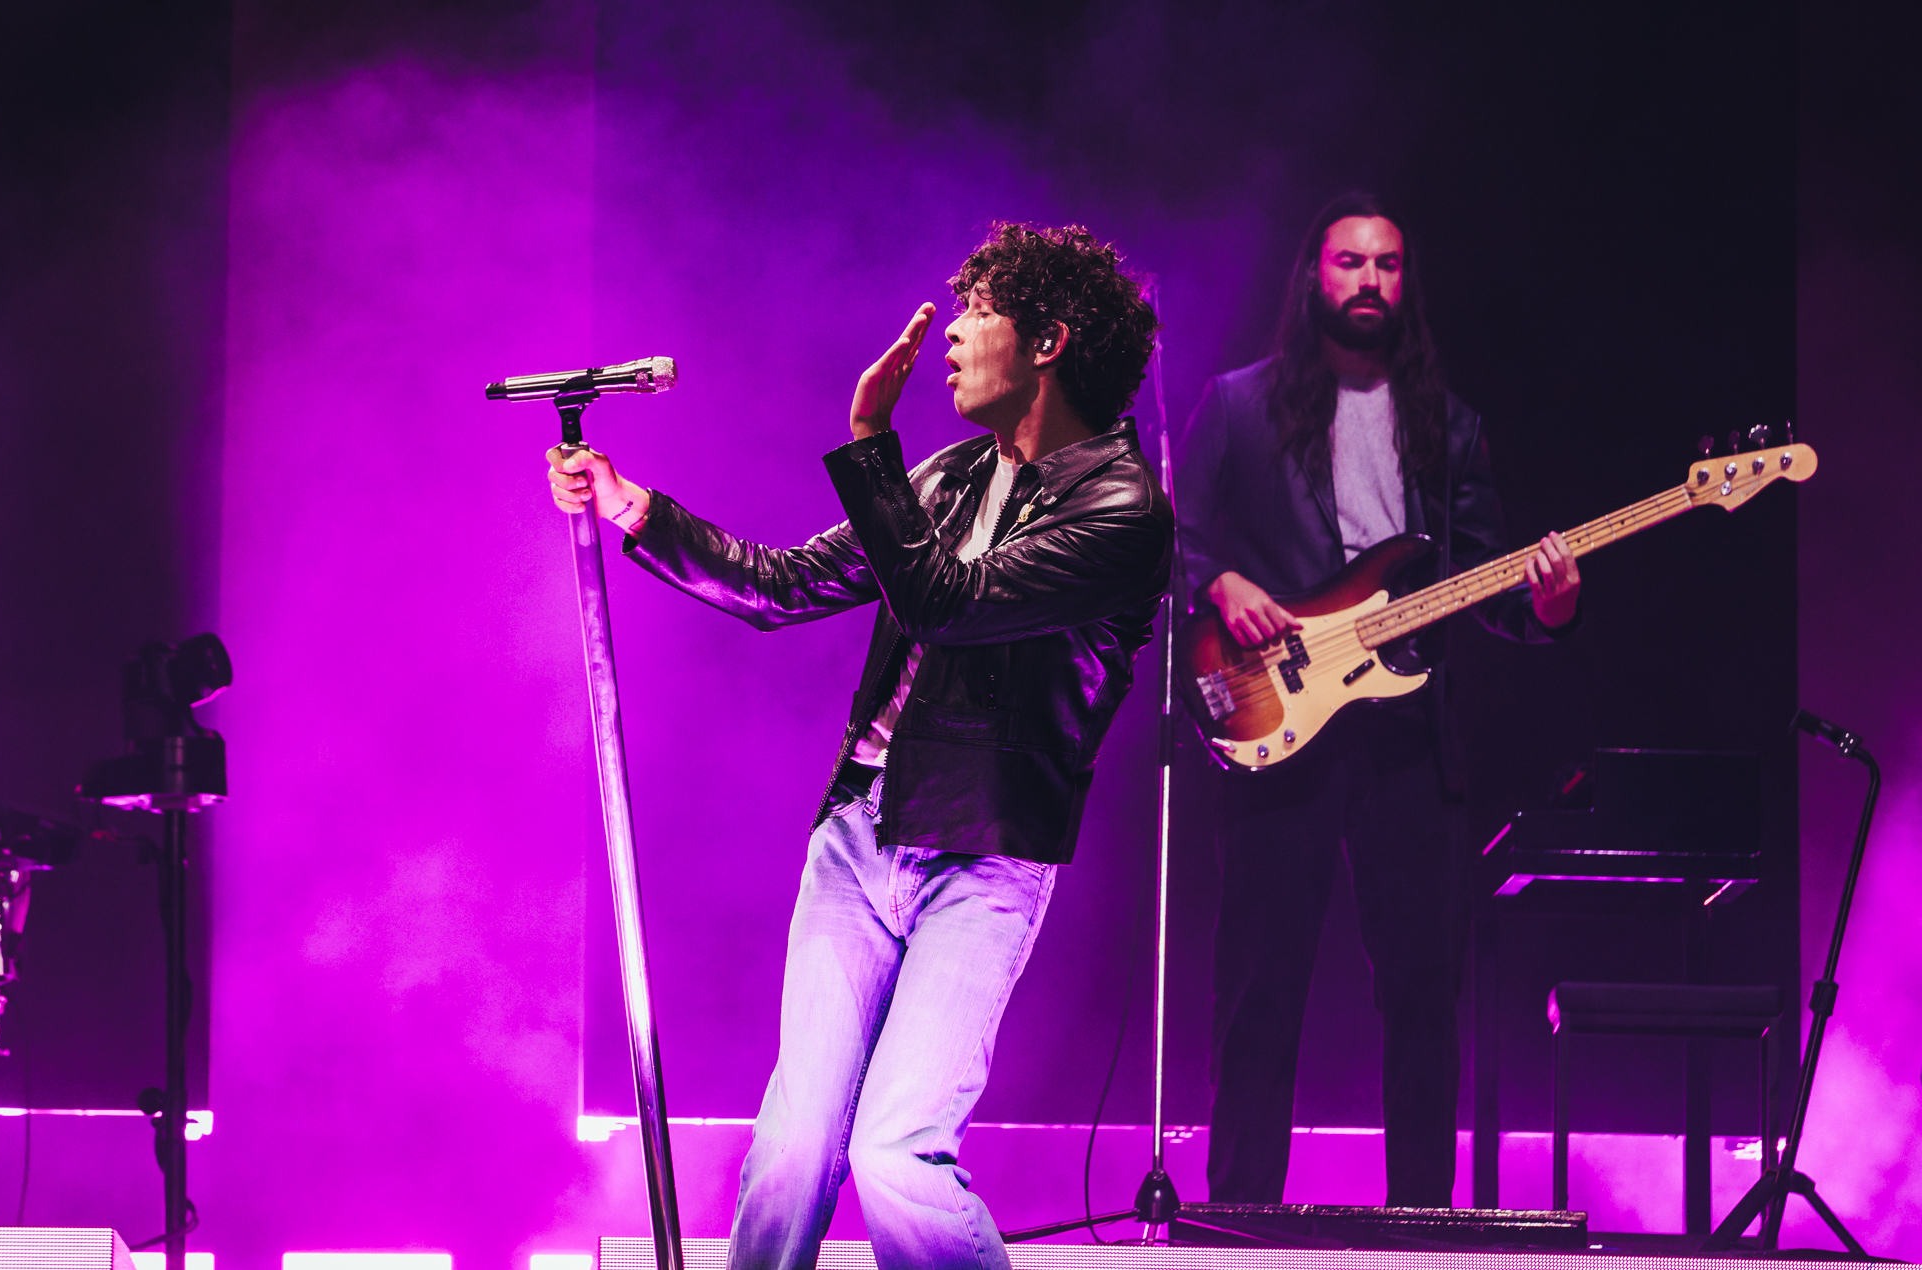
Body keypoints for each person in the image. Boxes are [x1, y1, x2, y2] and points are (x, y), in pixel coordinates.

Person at [547, 223, 1171, 1268]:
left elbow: (946, 603)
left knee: (895, 1151)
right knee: (791, 1152)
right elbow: (780, 584)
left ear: (1050, 341)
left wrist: (868, 435)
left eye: (978, 311)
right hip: (858, 839)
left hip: (983, 855)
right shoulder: (951, 478)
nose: (954, 334)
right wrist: (632, 508)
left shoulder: (1120, 510)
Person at [1175, 193, 1582, 1208]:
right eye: (1349, 262)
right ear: (1313, 278)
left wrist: (1548, 607)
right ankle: (1237, 1215)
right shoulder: (1235, 403)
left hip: (1408, 736)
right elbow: (1162, 540)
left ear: (1405, 284)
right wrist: (1217, 584)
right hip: (1278, 716)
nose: (1367, 281)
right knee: (1260, 988)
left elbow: (1487, 585)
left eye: (1387, 266)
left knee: (1420, 993)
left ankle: (1420, 1221)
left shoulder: (1450, 427)